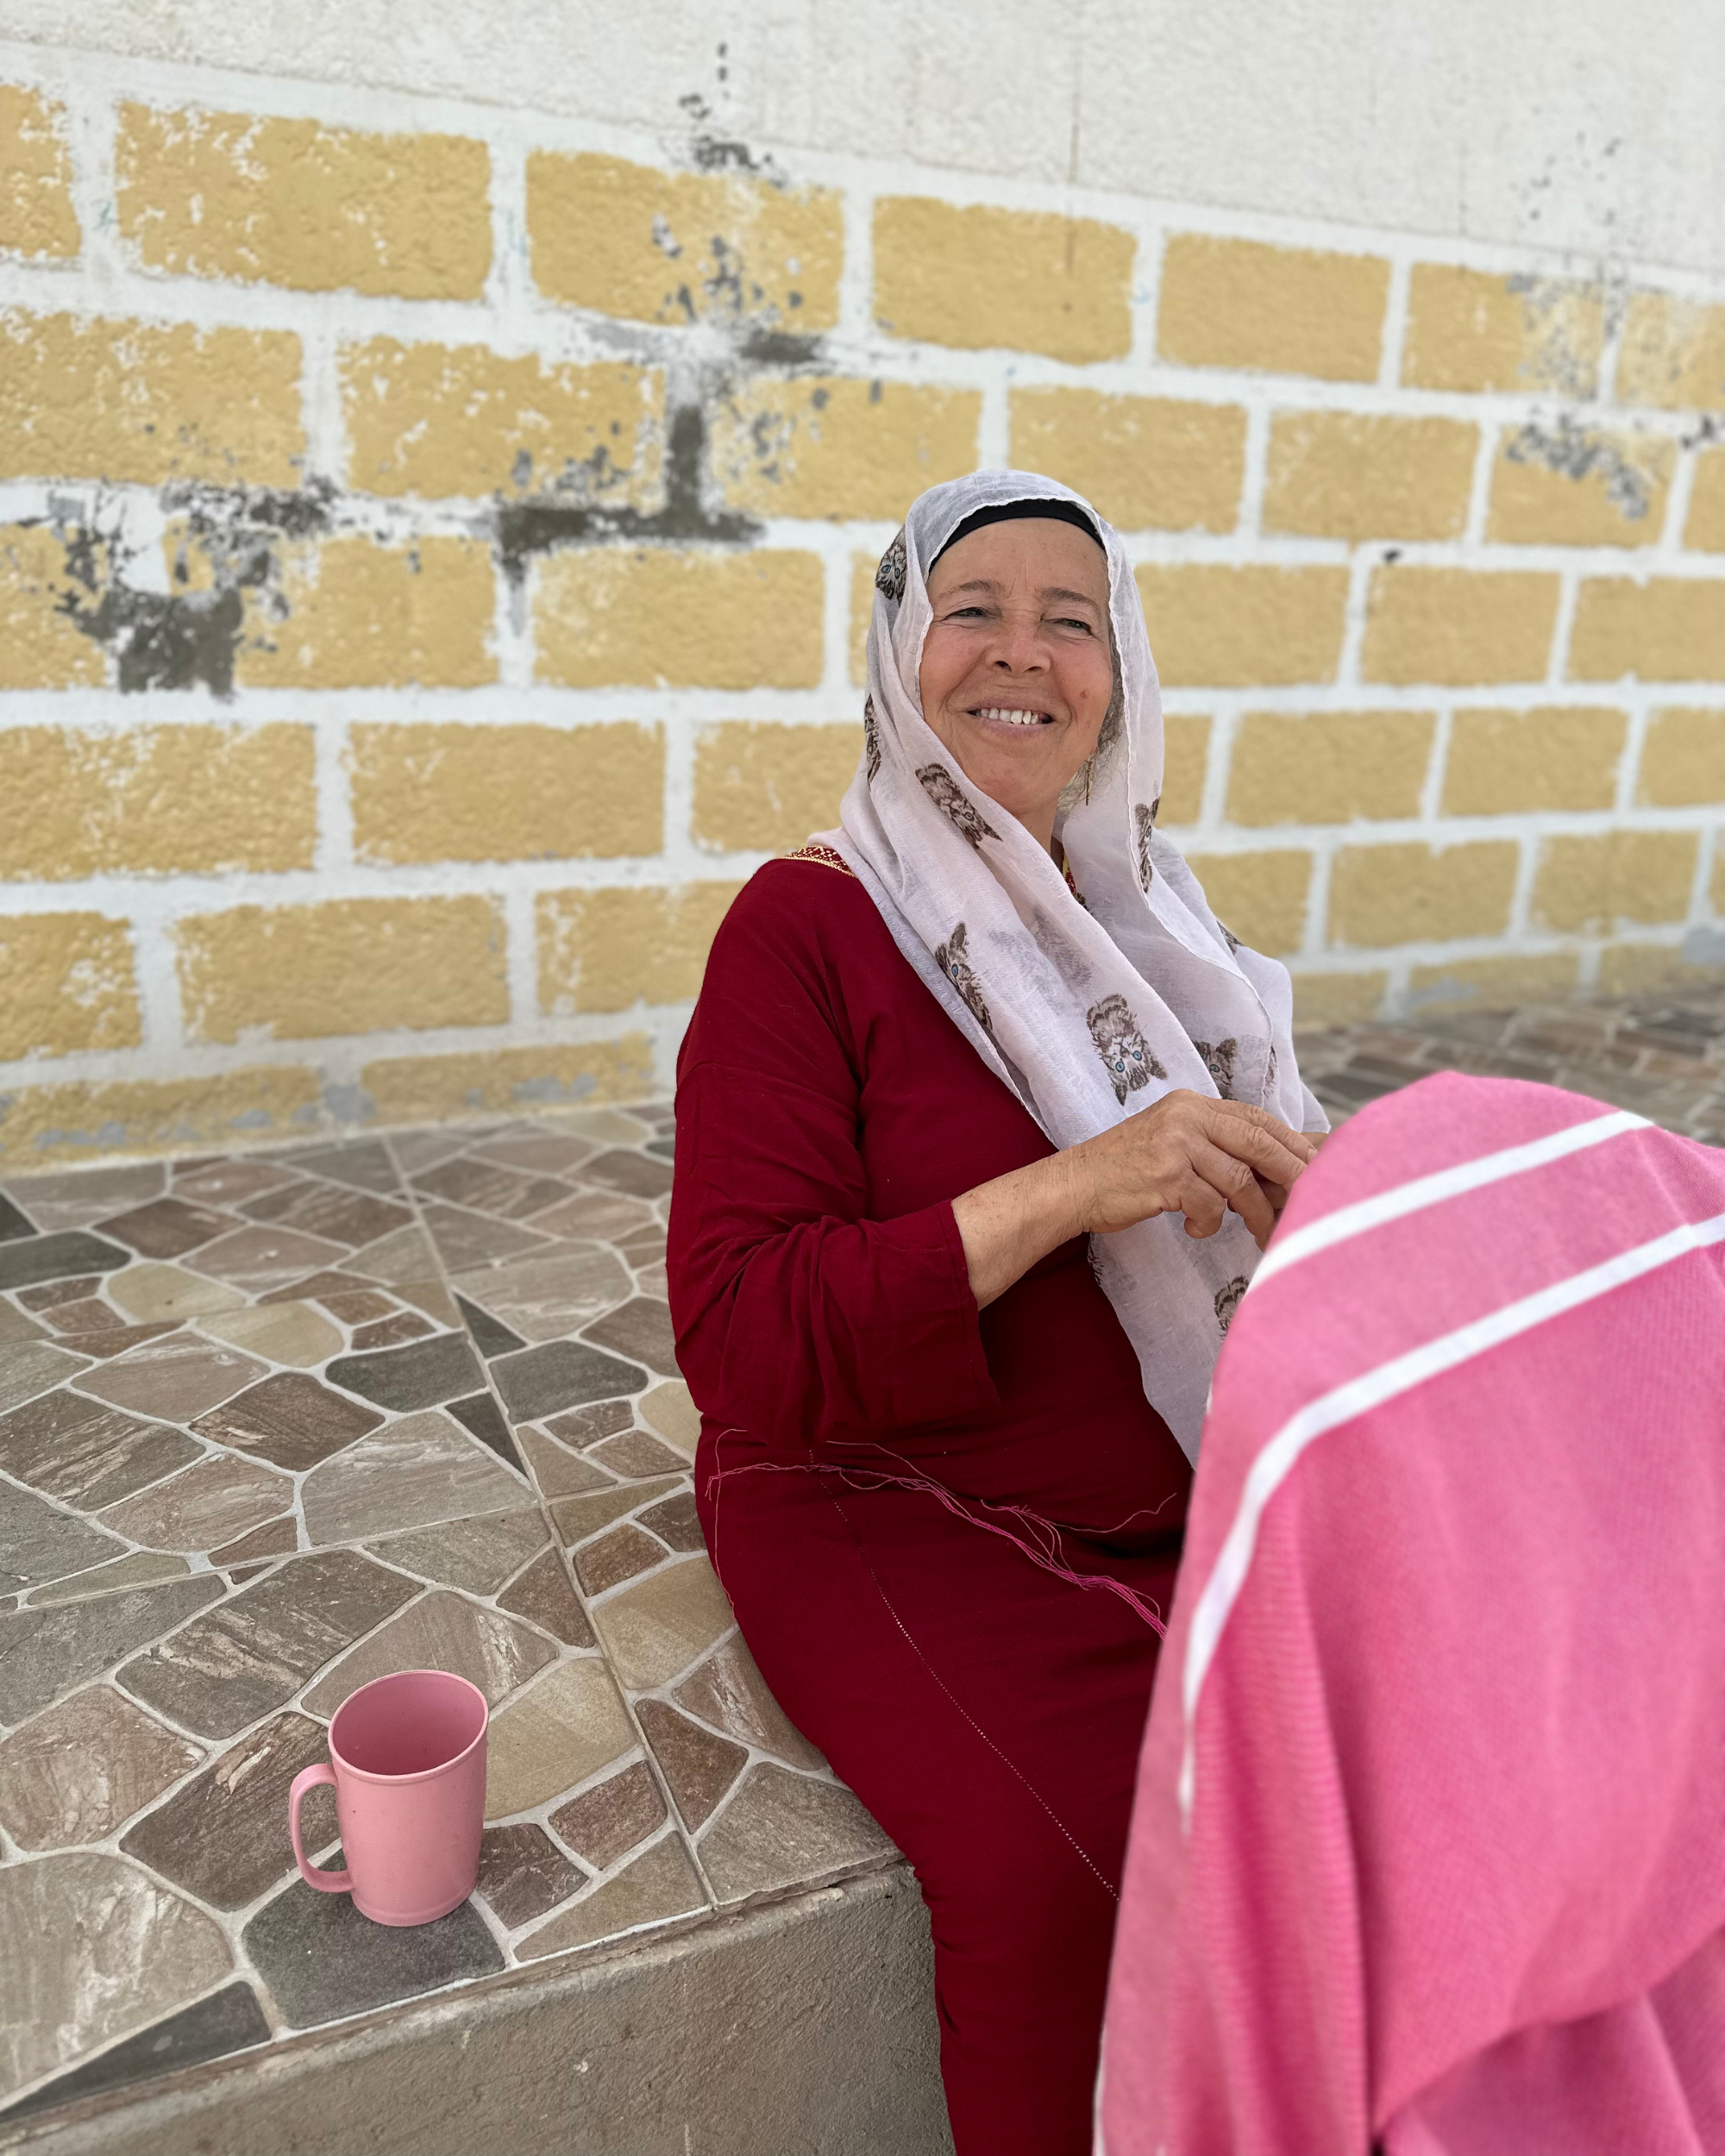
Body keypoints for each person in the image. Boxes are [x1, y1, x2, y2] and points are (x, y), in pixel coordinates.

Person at [667, 472, 1327, 2154]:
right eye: (973, 605)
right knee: (1071, 1853)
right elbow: (742, 1329)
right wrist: (1072, 1182)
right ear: (901, 647)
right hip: (885, 1490)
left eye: (1071, 617)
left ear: (1121, 671)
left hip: (1171, 1473)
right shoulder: (805, 925)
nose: (1019, 652)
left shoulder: (1160, 930)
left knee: (1372, 1727)